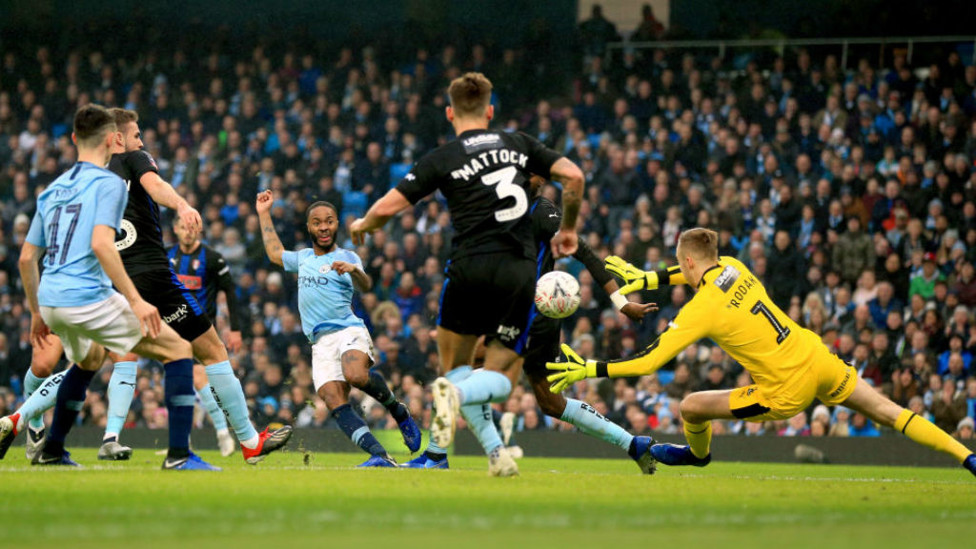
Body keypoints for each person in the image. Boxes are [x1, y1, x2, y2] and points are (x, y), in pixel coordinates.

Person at [547, 228, 976, 478]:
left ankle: (698, 456)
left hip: (786, 389)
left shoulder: (702, 309)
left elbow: (649, 363)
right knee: (890, 412)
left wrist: (589, 366)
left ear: (691, 264)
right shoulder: (735, 265)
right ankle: (967, 456)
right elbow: (687, 268)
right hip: (816, 355)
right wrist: (645, 279)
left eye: (682, 265)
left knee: (692, 407)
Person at [2, 108, 293, 465]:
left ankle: (18, 421)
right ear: (117, 138)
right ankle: (236, 444)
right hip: (151, 277)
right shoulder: (132, 160)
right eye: (137, 135)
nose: (143, 142)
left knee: (88, 362)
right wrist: (183, 204)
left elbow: (34, 254)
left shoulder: (71, 183)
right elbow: (155, 187)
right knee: (209, 350)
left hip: (99, 286)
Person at [349, 72, 584, 476]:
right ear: (490, 111)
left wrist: (363, 227)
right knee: (500, 379)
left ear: (449, 112)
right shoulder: (519, 144)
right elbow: (574, 177)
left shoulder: (444, 156)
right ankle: (484, 441)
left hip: (468, 269)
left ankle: (475, 440)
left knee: (454, 370)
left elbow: (387, 209)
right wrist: (570, 230)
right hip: (517, 273)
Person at [257, 191, 421, 467]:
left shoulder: (348, 255)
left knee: (355, 375)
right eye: (318, 222)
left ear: (336, 225)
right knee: (334, 400)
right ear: (309, 227)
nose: (324, 227)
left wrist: (354, 270)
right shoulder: (303, 258)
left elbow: (367, 287)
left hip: (347, 330)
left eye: (329, 221)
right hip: (319, 343)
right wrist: (263, 213)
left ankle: (398, 411)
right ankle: (380, 456)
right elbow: (274, 252)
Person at [517, 182, 658, 472]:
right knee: (550, 403)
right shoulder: (502, 209)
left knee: (471, 360)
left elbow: (585, 253)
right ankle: (633, 444)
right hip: (513, 309)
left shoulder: (542, 212)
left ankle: (438, 453)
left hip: (532, 315)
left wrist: (621, 303)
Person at [167, 216, 245, 456]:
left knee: (197, 378)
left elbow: (230, 291)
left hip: (202, 329)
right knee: (181, 382)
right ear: (175, 229)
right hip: (172, 329)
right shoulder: (168, 257)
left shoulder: (211, 258)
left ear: (198, 229)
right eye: (183, 228)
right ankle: (185, 440)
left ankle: (222, 433)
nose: (188, 233)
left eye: (191, 228)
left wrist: (235, 328)